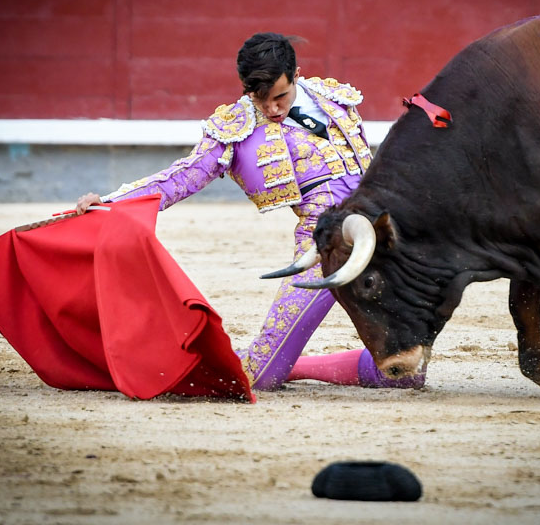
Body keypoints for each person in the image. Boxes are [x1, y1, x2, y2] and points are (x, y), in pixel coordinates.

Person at [76, 33, 425, 391]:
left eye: (280, 97)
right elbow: (182, 176)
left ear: (296, 75)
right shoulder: (235, 127)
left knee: (405, 374)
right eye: (260, 99)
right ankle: (278, 360)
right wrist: (113, 200)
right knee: (260, 376)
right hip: (325, 246)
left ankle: (297, 362)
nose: (272, 109)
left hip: (382, 237)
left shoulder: (332, 98)